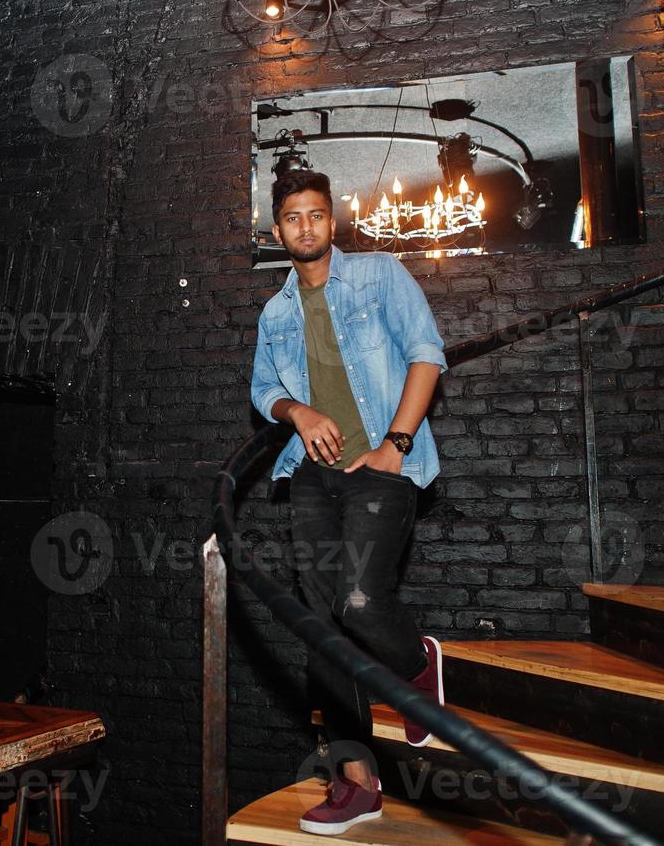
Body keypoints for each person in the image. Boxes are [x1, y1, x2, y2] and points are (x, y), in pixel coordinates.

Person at [250, 169, 448, 836]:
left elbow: (426, 355)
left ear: (330, 221)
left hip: (381, 467)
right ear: (276, 230)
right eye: (291, 217)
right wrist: (297, 411)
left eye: (315, 214)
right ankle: (355, 782)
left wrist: (395, 442)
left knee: (361, 602)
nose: (304, 226)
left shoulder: (379, 275)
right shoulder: (275, 313)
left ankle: (417, 670)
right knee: (321, 625)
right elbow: (261, 391)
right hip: (312, 474)